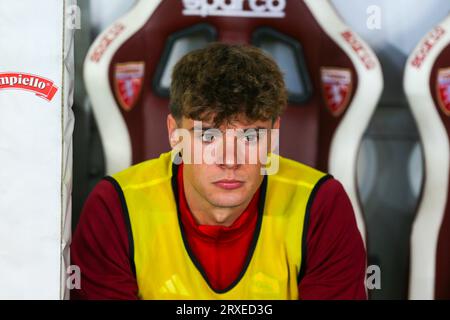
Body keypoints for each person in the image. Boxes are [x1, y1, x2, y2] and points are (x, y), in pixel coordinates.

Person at [71, 43, 367, 300]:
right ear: (175, 134)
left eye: (250, 136)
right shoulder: (116, 205)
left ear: (274, 135)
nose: (230, 159)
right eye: (208, 135)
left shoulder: (321, 205)